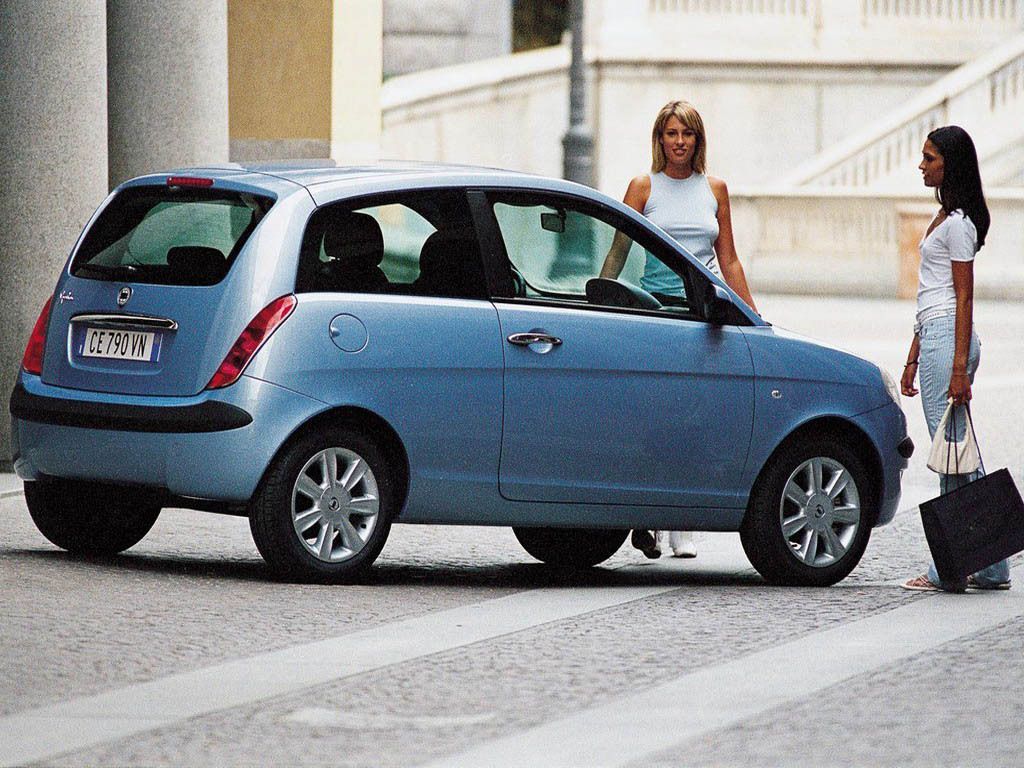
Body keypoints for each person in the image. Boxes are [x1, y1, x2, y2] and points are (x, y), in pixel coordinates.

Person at [600, 100, 757, 559]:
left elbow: (728, 258)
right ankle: (652, 513)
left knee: (699, 416)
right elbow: (618, 252)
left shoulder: (716, 189)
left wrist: (752, 314)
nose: (680, 142)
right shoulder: (643, 187)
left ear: (698, 140)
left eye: (687, 134)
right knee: (656, 417)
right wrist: (599, 297)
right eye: (671, 133)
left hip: (705, 313)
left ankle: (682, 521)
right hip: (659, 315)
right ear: (660, 139)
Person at [901, 125, 1011, 593]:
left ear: (951, 163)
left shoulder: (960, 224)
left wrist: (958, 368)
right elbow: (931, 293)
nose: (921, 166)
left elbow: (963, 300)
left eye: (929, 158)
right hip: (938, 335)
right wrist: (912, 355)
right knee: (957, 451)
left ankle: (951, 565)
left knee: (953, 455)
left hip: (951, 340)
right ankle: (990, 565)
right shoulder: (943, 217)